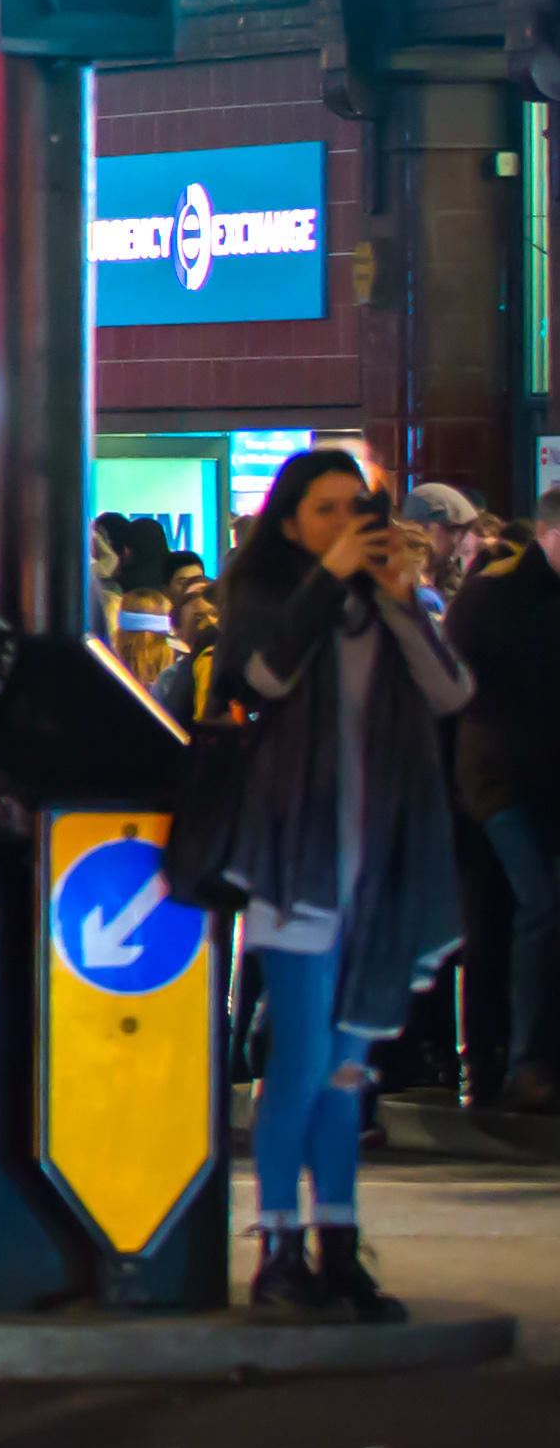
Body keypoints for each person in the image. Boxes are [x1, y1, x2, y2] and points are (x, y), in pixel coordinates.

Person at [197, 446, 473, 1320]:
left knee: (352, 1070)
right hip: (297, 854)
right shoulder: (274, 600)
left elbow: (452, 690)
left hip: (382, 859)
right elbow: (261, 677)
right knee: (305, 1058)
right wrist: (329, 578)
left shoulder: (384, 606)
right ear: (289, 521)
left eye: (356, 506)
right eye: (325, 507)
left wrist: (398, 602)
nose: (345, 520)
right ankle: (280, 1250)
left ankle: (339, 1247)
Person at [453, 485, 560, 1113]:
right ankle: (525, 1061)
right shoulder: (493, 597)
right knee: (539, 906)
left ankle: (524, 1058)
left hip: (531, 777)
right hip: (502, 780)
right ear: (546, 535)